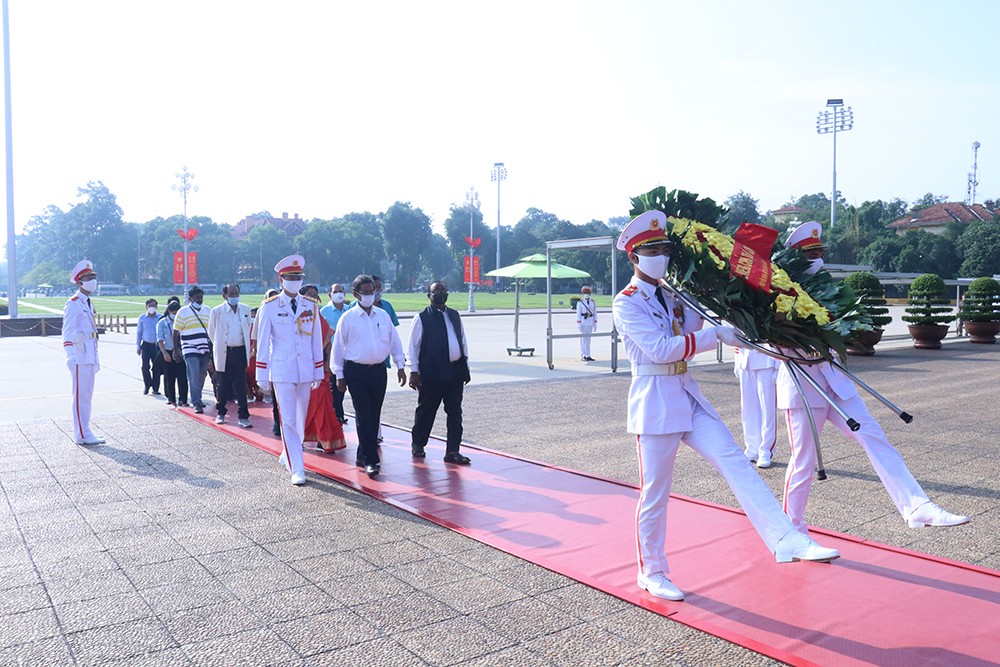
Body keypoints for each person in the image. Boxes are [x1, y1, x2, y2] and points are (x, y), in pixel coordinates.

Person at [612, 210, 840, 603]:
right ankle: (652, 571)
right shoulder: (626, 302)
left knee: (735, 462)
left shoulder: (673, 295)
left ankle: (786, 538)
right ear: (634, 258)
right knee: (656, 493)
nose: (661, 256)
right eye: (652, 250)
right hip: (654, 401)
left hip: (687, 394)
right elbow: (659, 349)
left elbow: (697, 326)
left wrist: (735, 314)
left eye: (664, 249)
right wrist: (714, 335)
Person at [777, 222, 969, 533]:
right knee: (804, 461)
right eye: (810, 253)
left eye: (819, 252)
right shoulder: (777, 290)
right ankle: (791, 527)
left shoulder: (827, 286)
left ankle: (916, 507)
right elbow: (768, 340)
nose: (818, 258)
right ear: (795, 256)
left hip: (837, 383)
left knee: (876, 438)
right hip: (804, 386)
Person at [254, 256, 325, 486]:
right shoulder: (270, 306)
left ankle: (290, 452)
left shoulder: (310, 305)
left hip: (305, 368)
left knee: (301, 418)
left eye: (298, 278)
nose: (295, 281)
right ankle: (298, 467)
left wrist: (318, 370)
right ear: (281, 279)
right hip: (282, 369)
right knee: (289, 420)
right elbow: (263, 341)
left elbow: (315, 340)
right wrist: (261, 374)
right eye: (290, 278)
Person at [333, 274, 406, 478]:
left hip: (378, 370)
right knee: (363, 414)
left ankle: (362, 453)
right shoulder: (348, 318)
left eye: (371, 291)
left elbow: (394, 341)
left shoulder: (382, 315)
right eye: (364, 292)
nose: (369, 296)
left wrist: (400, 364)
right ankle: (371, 460)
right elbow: (337, 348)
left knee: (374, 415)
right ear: (356, 294)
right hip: (356, 371)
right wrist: (339, 374)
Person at [407, 281, 472, 465]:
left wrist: (465, 366)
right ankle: (418, 444)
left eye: (443, 290)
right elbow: (413, 346)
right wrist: (413, 371)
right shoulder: (421, 317)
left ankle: (453, 450)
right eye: (436, 291)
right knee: (426, 411)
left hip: (454, 372)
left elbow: (462, 341)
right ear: (429, 295)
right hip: (431, 373)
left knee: (455, 413)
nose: (440, 293)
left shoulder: (454, 315)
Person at [62, 260, 106, 446]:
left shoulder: (87, 302)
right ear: (80, 281)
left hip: (89, 354)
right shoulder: (73, 303)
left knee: (86, 396)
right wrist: (70, 354)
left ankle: (85, 430)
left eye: (94, 277)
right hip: (79, 355)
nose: (93, 281)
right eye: (89, 278)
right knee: (80, 396)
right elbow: (67, 330)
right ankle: (81, 434)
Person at [301, 284, 347, 453]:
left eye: (315, 295)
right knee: (304, 406)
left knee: (324, 404)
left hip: (319, 368)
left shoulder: (318, 317)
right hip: (301, 369)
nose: (313, 298)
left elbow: (328, 339)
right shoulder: (298, 314)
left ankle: (326, 439)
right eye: (309, 295)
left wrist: (327, 362)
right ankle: (299, 437)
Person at [208, 283, 253, 428]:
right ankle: (221, 412)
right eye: (231, 294)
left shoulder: (245, 309)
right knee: (222, 383)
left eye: (236, 294)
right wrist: (220, 345)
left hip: (240, 351)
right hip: (224, 351)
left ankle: (243, 415)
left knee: (241, 384)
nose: (234, 297)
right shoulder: (217, 311)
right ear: (224, 295)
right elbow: (212, 333)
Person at [733, 347, 780, 468]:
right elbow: (736, 333)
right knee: (748, 410)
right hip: (745, 360)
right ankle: (752, 448)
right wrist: (737, 360)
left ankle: (765, 450)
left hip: (766, 360)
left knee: (767, 410)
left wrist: (778, 366)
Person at [173, 286, 212, 414]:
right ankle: (196, 403)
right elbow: (176, 332)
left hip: (205, 348)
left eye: (201, 297)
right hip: (189, 348)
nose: (199, 300)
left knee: (202, 375)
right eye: (197, 298)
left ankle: (198, 398)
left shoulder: (208, 311)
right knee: (193, 375)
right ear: (191, 298)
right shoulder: (183, 312)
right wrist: (176, 349)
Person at [319, 283, 349, 424]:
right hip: (331, 353)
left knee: (343, 385)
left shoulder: (349, 311)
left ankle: (339, 411)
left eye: (341, 291)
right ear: (330, 295)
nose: (338, 293)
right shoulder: (324, 312)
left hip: (348, 354)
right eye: (335, 291)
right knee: (334, 386)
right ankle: (336, 413)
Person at [157, 301, 189, 407]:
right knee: (170, 377)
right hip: (168, 352)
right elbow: (160, 340)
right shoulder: (162, 323)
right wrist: (165, 353)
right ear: (169, 311)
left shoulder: (183, 322)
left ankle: (183, 400)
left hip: (181, 351)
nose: (175, 315)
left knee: (182, 377)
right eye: (173, 312)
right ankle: (172, 399)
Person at [135, 298, 162, 395]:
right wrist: (138, 346)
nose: (152, 308)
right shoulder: (142, 318)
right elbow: (139, 332)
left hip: (157, 346)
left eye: (154, 306)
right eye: (150, 306)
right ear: (146, 307)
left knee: (156, 368)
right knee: (145, 367)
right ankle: (147, 385)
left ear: (156, 307)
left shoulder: (160, 317)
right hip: (146, 345)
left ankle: (155, 388)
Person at [576, 286, 598, 361]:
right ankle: (583, 355)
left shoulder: (592, 302)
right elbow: (578, 314)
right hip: (583, 322)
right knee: (583, 340)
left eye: (588, 293)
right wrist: (579, 325)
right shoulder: (580, 302)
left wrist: (595, 324)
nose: (586, 294)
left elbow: (595, 313)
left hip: (590, 322)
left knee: (588, 340)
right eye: (585, 293)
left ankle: (588, 355)